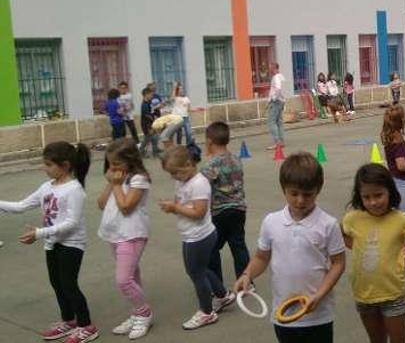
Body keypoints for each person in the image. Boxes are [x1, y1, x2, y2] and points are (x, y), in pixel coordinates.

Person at [233, 153, 346, 343]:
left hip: (318, 313)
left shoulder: (328, 224)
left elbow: (338, 264)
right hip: (283, 312)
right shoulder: (271, 222)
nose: (300, 200)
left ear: (318, 189)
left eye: (307, 194)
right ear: (283, 189)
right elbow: (261, 257)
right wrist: (247, 275)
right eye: (294, 193)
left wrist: (319, 295)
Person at [0, 142, 100, 343]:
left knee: (69, 285)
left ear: (64, 165)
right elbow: (21, 206)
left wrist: (39, 233)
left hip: (71, 244)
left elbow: (71, 224)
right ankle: (69, 321)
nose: (43, 168)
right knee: (57, 284)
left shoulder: (74, 190)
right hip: (52, 243)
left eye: (47, 164)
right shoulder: (46, 187)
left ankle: (86, 326)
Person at [343, 163, 405, 343]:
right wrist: (357, 247)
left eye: (378, 195)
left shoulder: (400, 220)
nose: (373, 202)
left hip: (393, 293)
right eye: (366, 197)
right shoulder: (352, 218)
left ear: (390, 191)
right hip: (364, 294)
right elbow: (340, 234)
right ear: (359, 196)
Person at [159, 147, 234, 330]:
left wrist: (175, 208)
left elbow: (199, 213)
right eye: (171, 174)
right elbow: (182, 202)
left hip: (199, 236)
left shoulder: (199, 183)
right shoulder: (183, 181)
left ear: (188, 164)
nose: (174, 177)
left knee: (196, 273)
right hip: (191, 234)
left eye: (176, 172)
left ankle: (206, 312)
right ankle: (222, 294)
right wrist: (173, 205)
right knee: (199, 269)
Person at [97, 139, 153, 340]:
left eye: (117, 164)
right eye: (110, 163)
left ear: (130, 160)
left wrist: (117, 185)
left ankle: (144, 312)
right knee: (132, 276)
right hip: (115, 233)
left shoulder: (138, 179)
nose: (112, 167)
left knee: (123, 280)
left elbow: (126, 206)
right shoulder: (116, 179)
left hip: (132, 234)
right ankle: (136, 312)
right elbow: (101, 204)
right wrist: (110, 183)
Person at [201, 122, 250, 295]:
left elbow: (204, 190)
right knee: (238, 245)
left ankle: (217, 287)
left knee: (212, 248)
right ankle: (246, 282)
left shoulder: (210, 166)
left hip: (220, 211)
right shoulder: (236, 159)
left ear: (209, 141)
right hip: (238, 209)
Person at [381, 105, 405, 217]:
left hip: (394, 180)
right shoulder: (398, 143)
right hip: (402, 183)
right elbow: (401, 165)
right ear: (401, 121)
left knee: (398, 217)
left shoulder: (390, 137)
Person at [266, 63, 286, 151]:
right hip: (281, 101)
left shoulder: (276, 77)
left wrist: (273, 98)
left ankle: (277, 142)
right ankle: (281, 141)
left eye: (271, 68)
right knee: (279, 122)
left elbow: (278, 89)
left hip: (276, 102)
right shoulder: (281, 77)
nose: (269, 70)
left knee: (271, 122)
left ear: (274, 68)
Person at [138, 87, 161, 158]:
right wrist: (153, 123)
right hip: (147, 125)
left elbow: (153, 111)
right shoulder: (144, 104)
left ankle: (154, 152)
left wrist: (157, 109)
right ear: (146, 95)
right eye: (151, 94)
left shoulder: (149, 102)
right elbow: (147, 115)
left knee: (153, 138)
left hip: (151, 123)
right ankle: (141, 152)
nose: (152, 96)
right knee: (148, 139)